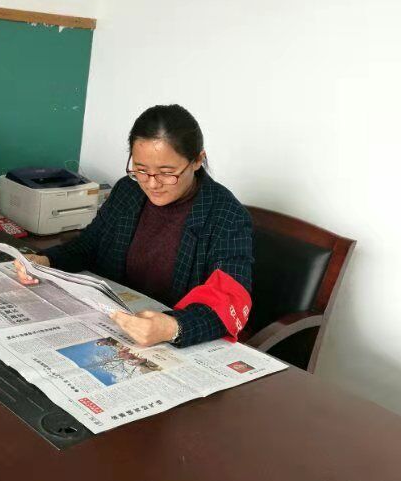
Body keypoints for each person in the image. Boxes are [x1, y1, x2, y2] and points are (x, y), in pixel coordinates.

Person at [15, 104, 253, 348]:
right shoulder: (128, 191)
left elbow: (230, 303)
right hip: (114, 323)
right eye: (141, 170)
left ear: (197, 160)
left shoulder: (226, 216)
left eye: (166, 172)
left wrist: (174, 328)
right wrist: (45, 261)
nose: (152, 184)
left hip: (168, 341)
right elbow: (88, 246)